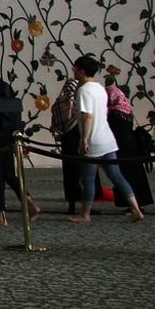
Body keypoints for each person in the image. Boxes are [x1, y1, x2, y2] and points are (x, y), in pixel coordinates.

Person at [68, 56, 144, 223]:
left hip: (93, 141)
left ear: (81, 71)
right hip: (107, 139)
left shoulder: (84, 90)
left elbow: (87, 116)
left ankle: (85, 214)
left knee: (87, 179)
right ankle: (136, 209)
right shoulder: (100, 88)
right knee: (116, 176)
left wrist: (84, 140)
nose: (73, 71)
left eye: (75, 68)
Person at [0, 52, 41, 225]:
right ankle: (30, 202)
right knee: (10, 173)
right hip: (10, 134)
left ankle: (1, 215)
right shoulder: (6, 86)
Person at [105, 80, 154, 209]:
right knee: (136, 176)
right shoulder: (126, 109)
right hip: (132, 147)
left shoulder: (113, 113)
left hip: (122, 149)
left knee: (125, 176)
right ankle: (139, 202)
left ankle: (131, 204)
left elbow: (113, 132)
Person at [50, 77, 87, 215]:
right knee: (83, 172)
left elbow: (55, 123)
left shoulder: (58, 102)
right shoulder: (78, 101)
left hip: (66, 140)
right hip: (78, 138)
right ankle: (85, 204)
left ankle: (72, 204)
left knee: (69, 173)